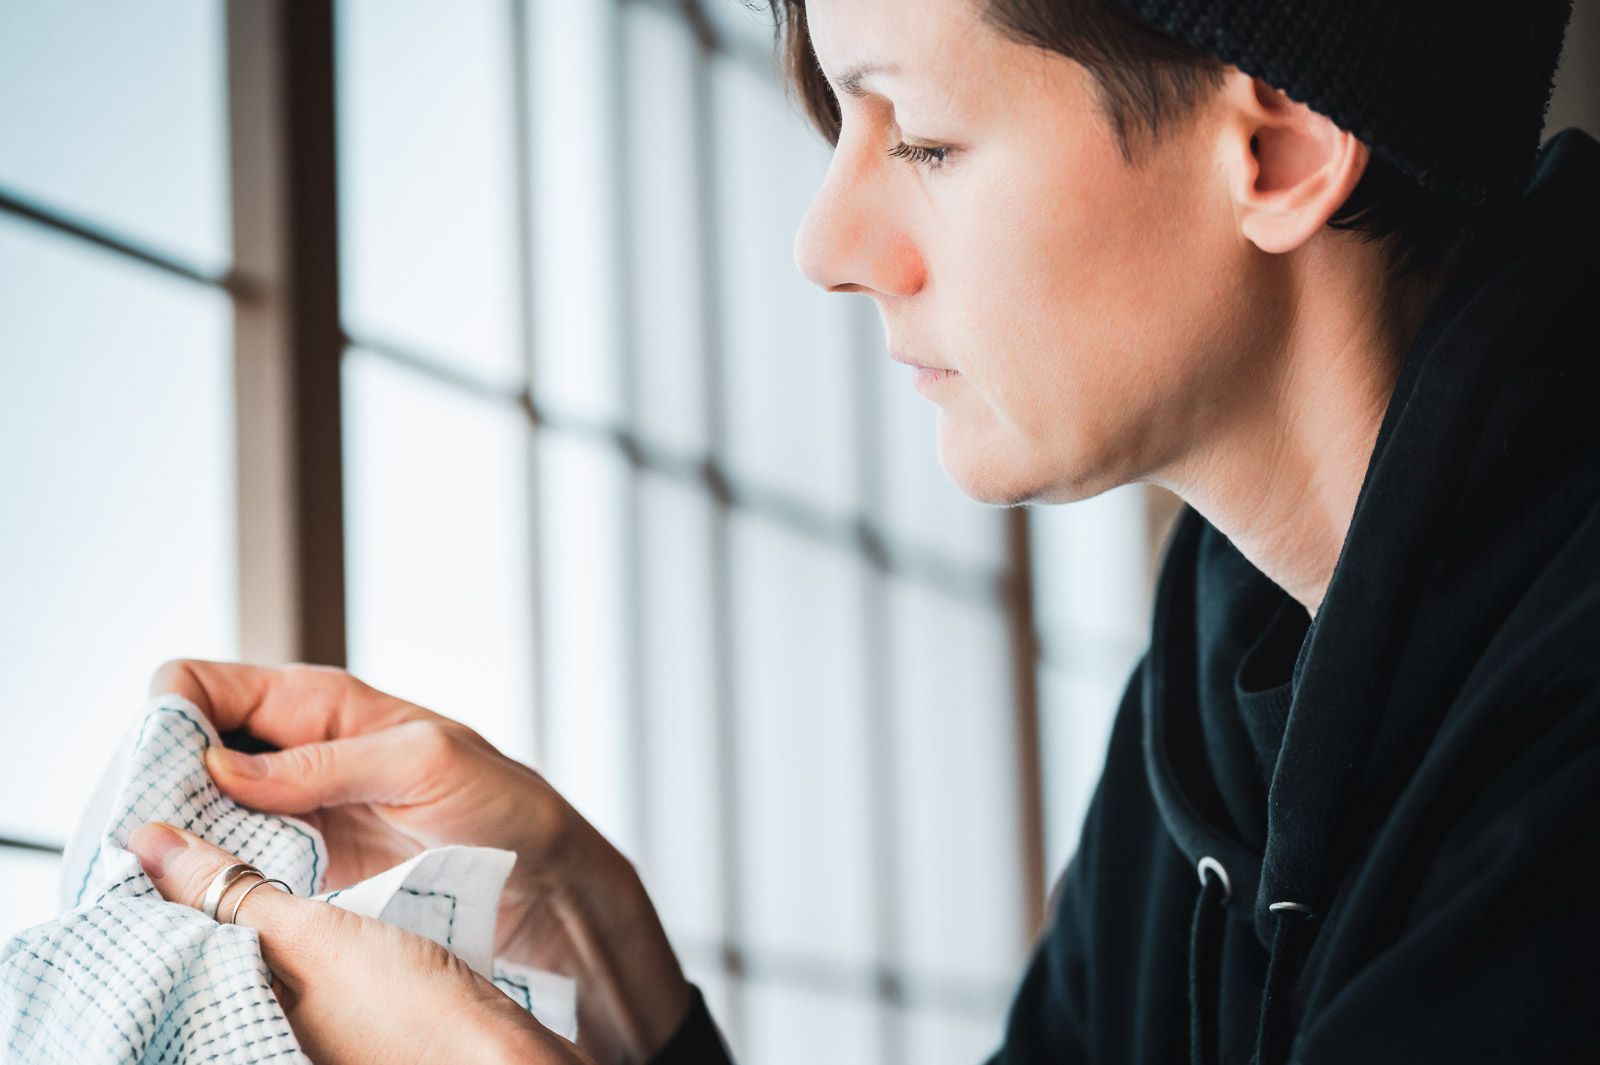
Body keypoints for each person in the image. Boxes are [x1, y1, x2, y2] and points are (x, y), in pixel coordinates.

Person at [127, 0, 1600, 1061]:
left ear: (1278, 148)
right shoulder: (1227, 669)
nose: (827, 247)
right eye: (847, 125)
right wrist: (617, 979)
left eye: (931, 141)